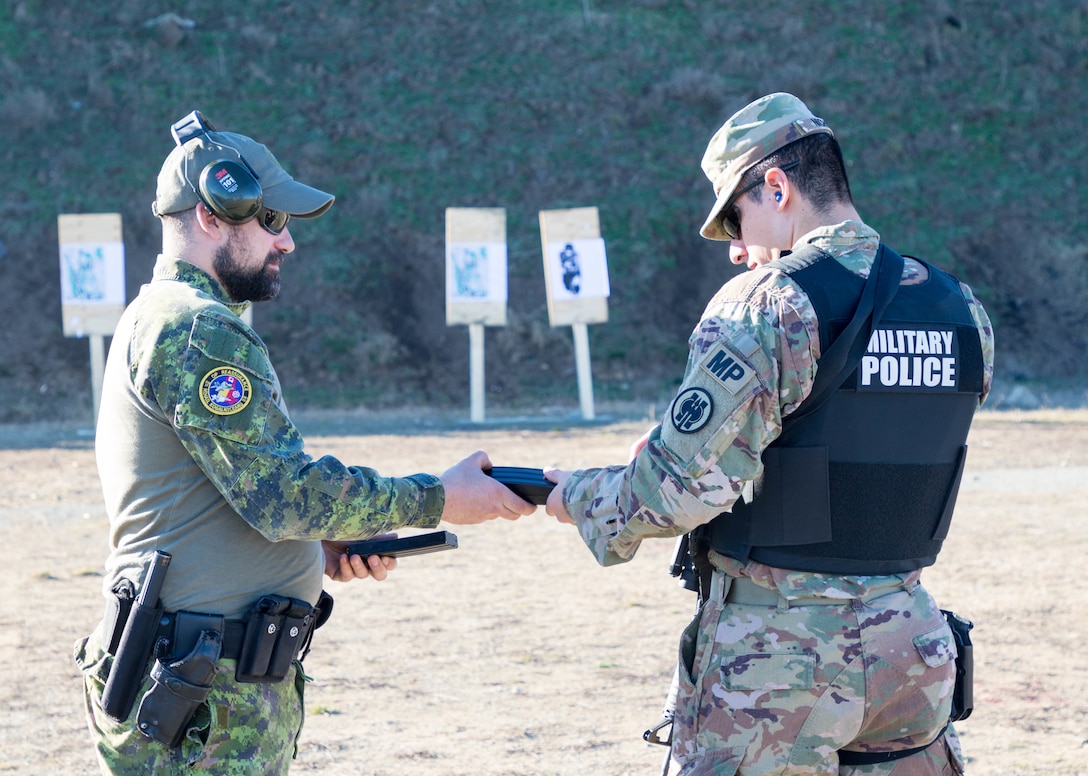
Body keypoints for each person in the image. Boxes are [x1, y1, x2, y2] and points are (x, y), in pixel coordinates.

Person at [545, 92, 994, 775]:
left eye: (735, 218)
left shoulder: (771, 303)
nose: (735, 248)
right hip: (914, 650)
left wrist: (574, 495)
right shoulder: (960, 307)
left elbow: (672, 492)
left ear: (776, 187)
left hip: (779, 665)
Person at [73, 110, 535, 775]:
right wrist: (438, 498)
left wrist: (312, 548)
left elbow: (216, 494)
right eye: (271, 222)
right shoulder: (202, 331)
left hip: (198, 685)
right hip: (200, 699)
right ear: (211, 214)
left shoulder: (168, 317)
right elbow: (283, 495)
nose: (285, 243)